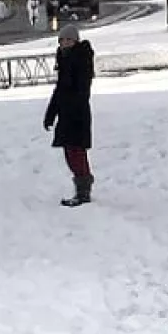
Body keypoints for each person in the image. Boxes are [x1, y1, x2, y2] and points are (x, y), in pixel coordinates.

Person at [43, 24, 96, 207]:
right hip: (66, 114)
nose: (65, 43)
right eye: (62, 40)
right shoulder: (64, 59)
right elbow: (59, 90)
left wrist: (74, 106)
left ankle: (83, 191)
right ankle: (82, 187)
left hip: (77, 114)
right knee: (70, 152)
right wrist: (50, 114)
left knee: (76, 152)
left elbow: (82, 88)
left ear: (76, 41)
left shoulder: (81, 58)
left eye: (69, 40)